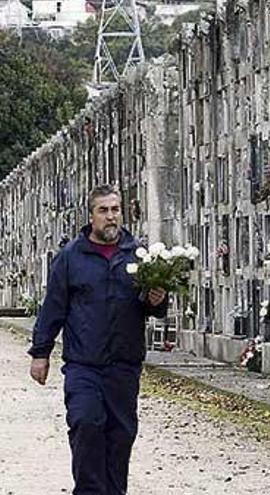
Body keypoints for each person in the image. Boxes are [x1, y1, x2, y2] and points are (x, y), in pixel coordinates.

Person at [28, 184, 168, 493]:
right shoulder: (70, 258)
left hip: (124, 365)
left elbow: (152, 307)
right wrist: (41, 352)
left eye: (115, 210)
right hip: (84, 365)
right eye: (103, 211)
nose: (110, 217)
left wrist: (157, 299)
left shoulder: (140, 255)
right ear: (91, 216)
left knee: (120, 436)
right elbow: (54, 306)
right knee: (85, 423)